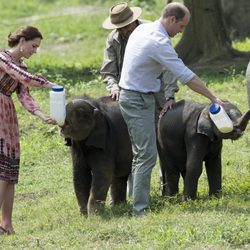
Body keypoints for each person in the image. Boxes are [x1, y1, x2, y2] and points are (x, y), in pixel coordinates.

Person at [118, 2, 224, 216]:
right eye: (182, 26)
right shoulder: (158, 41)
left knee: (144, 152)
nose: (181, 31)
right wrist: (213, 97)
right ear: (172, 20)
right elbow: (186, 76)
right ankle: (140, 210)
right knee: (145, 154)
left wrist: (168, 95)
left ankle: (141, 200)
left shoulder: (144, 28)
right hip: (136, 99)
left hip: (143, 96)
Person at [101, 2, 179, 197]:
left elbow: (170, 67)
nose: (124, 30)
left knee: (163, 142)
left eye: (126, 26)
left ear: (134, 20)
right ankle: (134, 191)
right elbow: (108, 71)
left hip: (156, 95)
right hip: (131, 97)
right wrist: (114, 86)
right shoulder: (114, 39)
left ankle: (166, 187)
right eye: (120, 27)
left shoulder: (152, 32)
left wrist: (170, 94)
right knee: (135, 145)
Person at [0, 26, 59, 235]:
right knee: (0, 168)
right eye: (34, 46)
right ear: (22, 41)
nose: (35, 50)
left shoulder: (21, 65)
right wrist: (46, 84)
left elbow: (24, 95)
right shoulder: (4, 59)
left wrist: (41, 115)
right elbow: (22, 77)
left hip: (7, 115)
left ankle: (6, 224)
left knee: (9, 171)